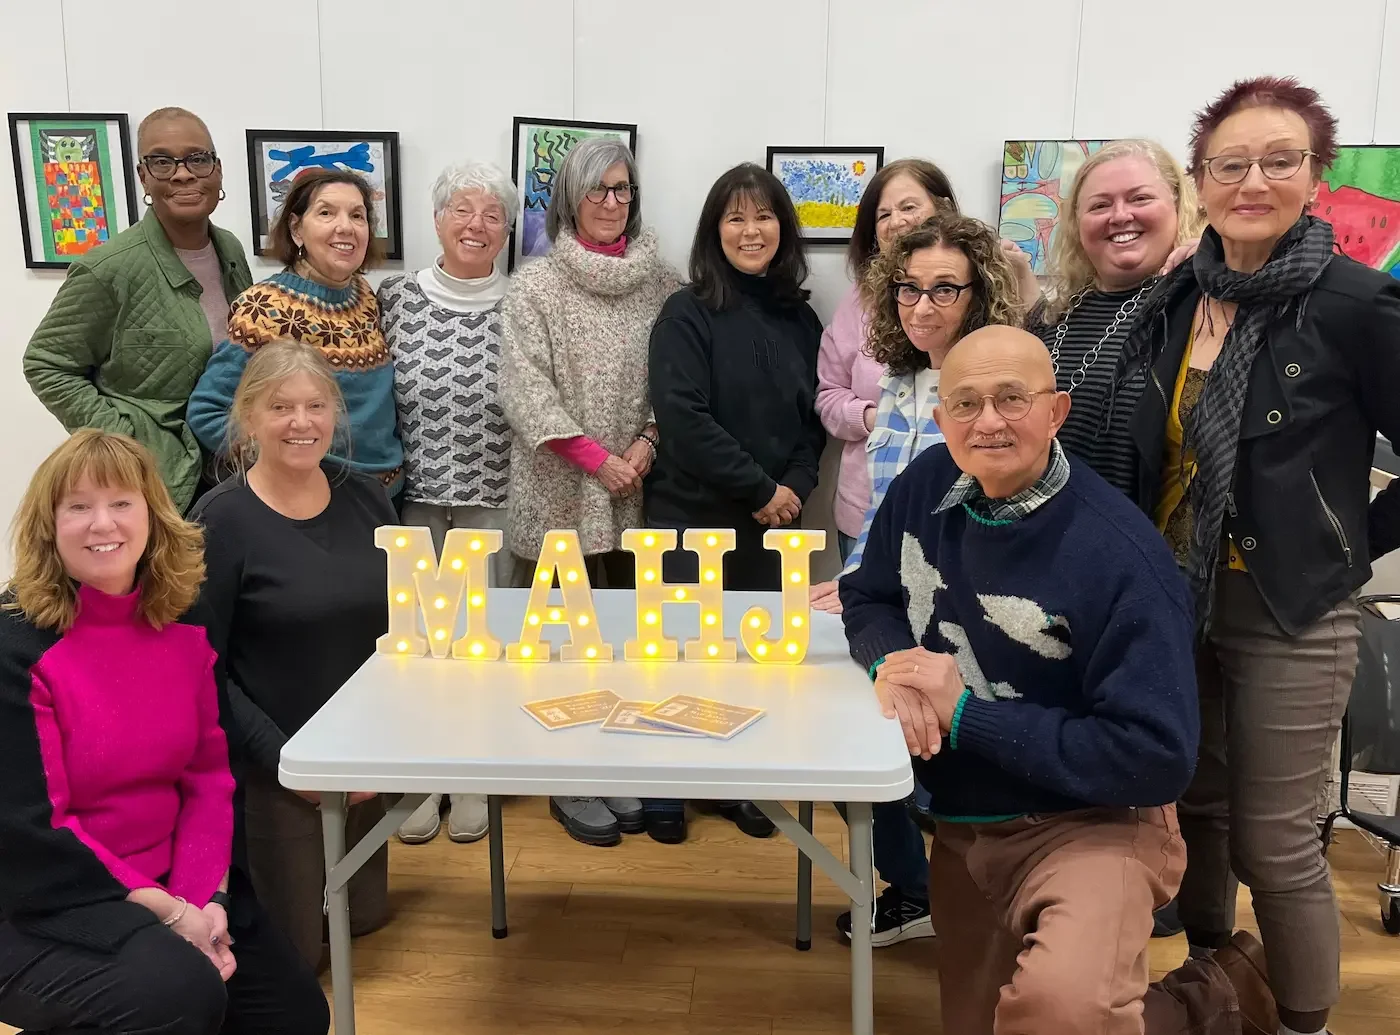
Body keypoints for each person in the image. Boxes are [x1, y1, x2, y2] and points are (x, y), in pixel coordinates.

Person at [840, 325, 1275, 1035]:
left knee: (1057, 1016)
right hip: (965, 823)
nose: (988, 421)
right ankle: (1194, 1002)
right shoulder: (924, 485)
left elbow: (1156, 756)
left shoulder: (1123, 556)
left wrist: (964, 716)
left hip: (1097, 823)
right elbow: (869, 594)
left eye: (1013, 398)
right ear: (941, 418)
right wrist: (892, 660)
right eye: (966, 402)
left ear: (1056, 411)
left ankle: (1202, 1003)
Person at [1116, 76, 1400, 1035]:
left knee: (1277, 841)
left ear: (1315, 178)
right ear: (1201, 179)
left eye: (1279, 161)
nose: (1253, 180)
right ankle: (1218, 983)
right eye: (1231, 163)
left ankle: (1304, 1024)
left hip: (1294, 607)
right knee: (1196, 810)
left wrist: (1349, 542)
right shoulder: (1174, 299)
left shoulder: (1359, 303)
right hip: (1175, 602)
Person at [0, 429, 327, 1035]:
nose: (104, 524)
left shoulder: (185, 620)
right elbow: (35, 826)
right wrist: (170, 914)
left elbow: (210, 774)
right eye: (78, 506)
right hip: (51, 897)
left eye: (122, 503)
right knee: (177, 995)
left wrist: (207, 901)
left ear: (152, 515)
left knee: (293, 1015)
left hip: (180, 885)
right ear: (48, 525)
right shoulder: (15, 644)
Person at [812, 211, 1024, 947]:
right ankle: (920, 890)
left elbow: (981, 515)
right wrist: (856, 578)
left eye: (944, 289)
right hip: (892, 600)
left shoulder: (995, 381)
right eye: (908, 289)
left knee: (946, 769)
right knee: (857, 751)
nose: (923, 306)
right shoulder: (901, 381)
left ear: (980, 293)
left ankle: (975, 904)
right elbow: (887, 502)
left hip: (964, 610)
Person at [498, 136, 680, 848]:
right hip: (559, 484)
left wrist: (644, 445)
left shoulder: (663, 283)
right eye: (598, 189)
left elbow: (677, 381)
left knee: (627, 637)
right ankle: (569, 771)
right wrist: (594, 458)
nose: (612, 202)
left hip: (637, 481)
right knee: (559, 641)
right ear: (570, 199)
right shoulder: (534, 285)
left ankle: (619, 756)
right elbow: (523, 388)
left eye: (623, 189)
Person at [192, 339, 396, 969]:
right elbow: (203, 671)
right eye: (281, 407)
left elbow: (402, 629)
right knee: (299, 958)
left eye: (315, 406)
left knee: (366, 920)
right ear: (249, 418)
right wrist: (287, 762)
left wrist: (386, 746)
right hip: (275, 762)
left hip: (363, 751)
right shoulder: (219, 523)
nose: (301, 423)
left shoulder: (366, 498)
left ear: (336, 414)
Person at [642, 163, 826, 844]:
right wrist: (759, 489)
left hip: (775, 524)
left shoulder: (802, 317)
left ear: (784, 227)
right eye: (735, 217)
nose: (752, 230)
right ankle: (667, 788)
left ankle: (739, 781)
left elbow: (815, 421)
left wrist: (796, 489)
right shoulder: (686, 312)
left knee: (753, 665)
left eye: (764, 216)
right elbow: (682, 415)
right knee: (682, 657)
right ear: (713, 231)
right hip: (692, 518)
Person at [379, 160, 520, 847]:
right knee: (418, 644)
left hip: (494, 498)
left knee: (479, 641)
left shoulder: (523, 300)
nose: (476, 225)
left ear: (509, 229)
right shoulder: (395, 297)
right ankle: (418, 776)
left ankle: (472, 774)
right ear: (436, 220)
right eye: (462, 210)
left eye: (493, 214)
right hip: (411, 500)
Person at [24, 107, 252, 514]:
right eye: (162, 162)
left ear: (217, 170)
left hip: (230, 473)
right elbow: (46, 364)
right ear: (143, 176)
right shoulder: (109, 267)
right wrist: (126, 443)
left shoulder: (230, 250)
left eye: (197, 159)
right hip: (158, 484)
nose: (183, 174)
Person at [188, 168, 403, 499]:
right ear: (296, 228)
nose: (345, 226)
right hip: (314, 503)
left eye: (357, 215)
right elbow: (208, 412)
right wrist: (283, 470)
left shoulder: (366, 298)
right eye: (326, 212)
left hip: (386, 500)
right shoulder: (264, 307)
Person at [1028, 139, 1203, 497]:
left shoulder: (1202, 308)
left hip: (1150, 542)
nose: (1120, 215)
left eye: (1140, 199)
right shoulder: (1047, 318)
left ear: (1178, 205)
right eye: (1100, 205)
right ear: (1076, 222)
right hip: (1044, 537)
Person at [816, 159, 960, 561]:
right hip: (867, 511)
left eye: (909, 207)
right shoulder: (856, 305)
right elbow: (828, 394)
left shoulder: (973, 293)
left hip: (954, 510)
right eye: (884, 214)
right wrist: (872, 419)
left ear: (942, 209)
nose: (896, 221)